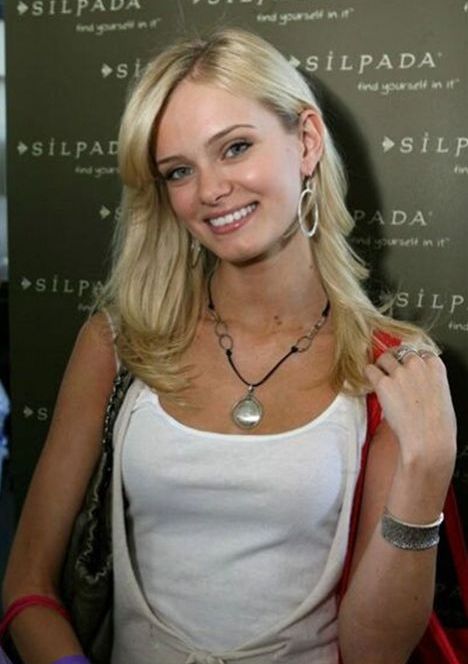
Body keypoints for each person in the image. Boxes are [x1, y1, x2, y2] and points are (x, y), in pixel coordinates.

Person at [2, 28, 457, 664]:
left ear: (306, 142)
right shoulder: (117, 343)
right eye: (179, 171)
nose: (210, 190)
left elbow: (373, 652)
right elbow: (27, 585)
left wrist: (427, 471)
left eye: (235, 147)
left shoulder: (388, 365)